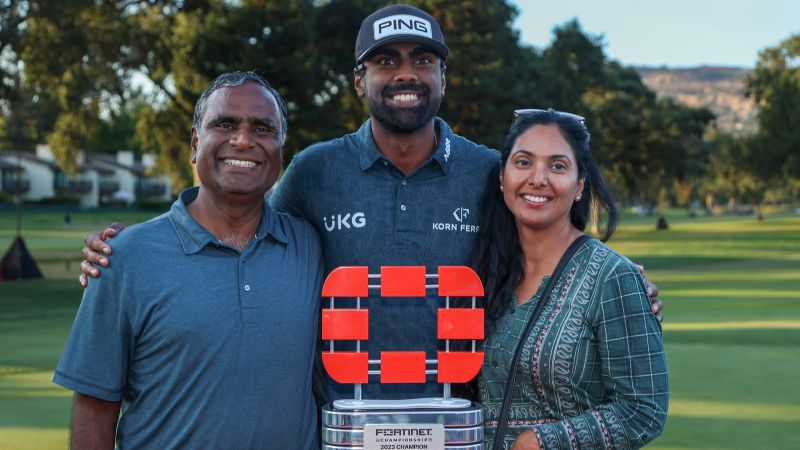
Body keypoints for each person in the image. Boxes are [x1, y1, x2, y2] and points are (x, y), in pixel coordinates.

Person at [77, 4, 662, 403]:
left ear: (443, 76)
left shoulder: (491, 169)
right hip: (340, 425)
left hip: (461, 425)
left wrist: (615, 282)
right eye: (386, 61)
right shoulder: (314, 170)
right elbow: (243, 228)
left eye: (422, 60)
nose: (405, 74)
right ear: (359, 80)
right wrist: (131, 252)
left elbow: (550, 240)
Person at [53, 72, 323, 449]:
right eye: (225, 124)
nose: (243, 140)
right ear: (195, 144)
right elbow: (95, 406)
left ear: (280, 147)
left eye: (263, 128)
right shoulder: (125, 257)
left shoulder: (311, 245)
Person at [471, 109, 668, 449]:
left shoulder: (612, 276)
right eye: (523, 162)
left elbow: (643, 410)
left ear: (579, 186)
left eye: (557, 166)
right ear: (502, 177)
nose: (537, 178)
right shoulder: (488, 270)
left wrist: (540, 442)